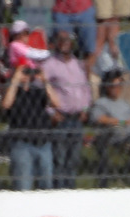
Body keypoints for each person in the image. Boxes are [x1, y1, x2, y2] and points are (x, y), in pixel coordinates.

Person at [43, 29, 91, 188]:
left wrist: (85, 108)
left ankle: (70, 188)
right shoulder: (49, 65)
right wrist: (51, 112)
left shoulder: (78, 63)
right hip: (61, 117)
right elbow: (42, 90)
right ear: (55, 42)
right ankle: (59, 189)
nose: (64, 42)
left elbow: (85, 88)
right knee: (60, 158)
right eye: (61, 39)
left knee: (74, 158)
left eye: (67, 39)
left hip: (77, 117)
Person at [3, 60, 60, 189]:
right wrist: (16, 80)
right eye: (24, 71)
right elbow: (6, 104)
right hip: (22, 143)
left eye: (28, 72)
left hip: (43, 142)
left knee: (46, 185)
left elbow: (56, 103)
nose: (27, 75)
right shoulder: (12, 90)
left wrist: (45, 81)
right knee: (23, 185)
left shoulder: (38, 90)